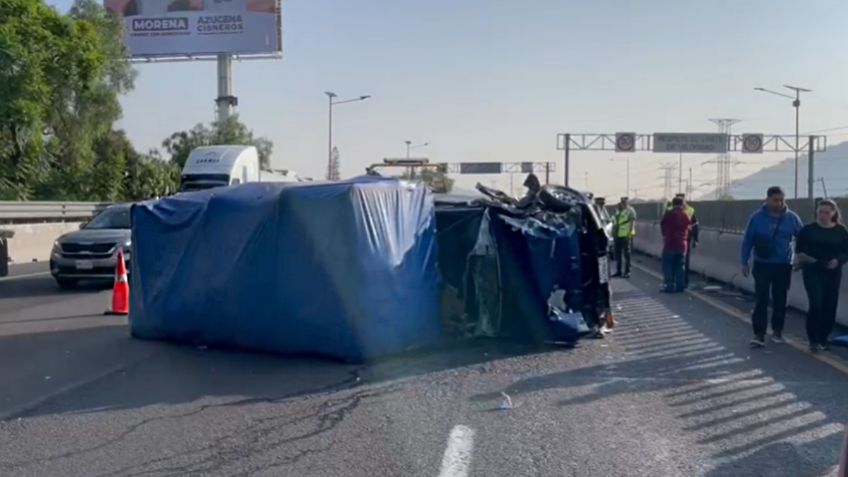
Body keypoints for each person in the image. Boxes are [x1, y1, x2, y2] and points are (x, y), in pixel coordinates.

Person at [741, 186, 803, 347]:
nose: (779, 203)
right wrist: (744, 261)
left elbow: (802, 238)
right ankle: (759, 333)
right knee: (761, 299)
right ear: (767, 199)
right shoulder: (757, 218)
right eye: (775, 200)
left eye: (782, 199)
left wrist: (799, 257)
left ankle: (777, 331)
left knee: (780, 299)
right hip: (762, 264)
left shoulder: (792, 218)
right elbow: (748, 240)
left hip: (783, 265)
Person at [795, 199, 848, 352]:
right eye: (820, 212)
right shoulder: (808, 230)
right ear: (816, 213)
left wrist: (838, 260)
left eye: (826, 212)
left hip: (832, 272)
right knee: (816, 304)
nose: (823, 215)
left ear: (833, 213)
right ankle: (813, 339)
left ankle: (823, 338)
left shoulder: (841, 231)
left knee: (829, 306)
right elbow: (799, 249)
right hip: (813, 271)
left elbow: (846, 251)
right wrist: (802, 258)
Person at [661, 197, 691, 292]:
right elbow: (689, 226)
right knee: (680, 265)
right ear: (682, 204)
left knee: (668, 265)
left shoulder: (669, 214)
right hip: (682, 244)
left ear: (673, 204)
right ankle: (680, 286)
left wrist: (665, 236)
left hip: (670, 243)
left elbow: (663, 225)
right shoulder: (685, 215)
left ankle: (669, 285)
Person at [612, 197, 636, 278]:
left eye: (625, 202)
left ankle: (627, 271)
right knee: (617, 254)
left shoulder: (630, 210)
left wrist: (630, 233)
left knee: (627, 254)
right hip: (617, 235)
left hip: (625, 235)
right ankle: (618, 271)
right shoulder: (618, 211)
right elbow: (614, 222)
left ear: (627, 202)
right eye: (622, 202)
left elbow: (632, 223)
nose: (623, 203)